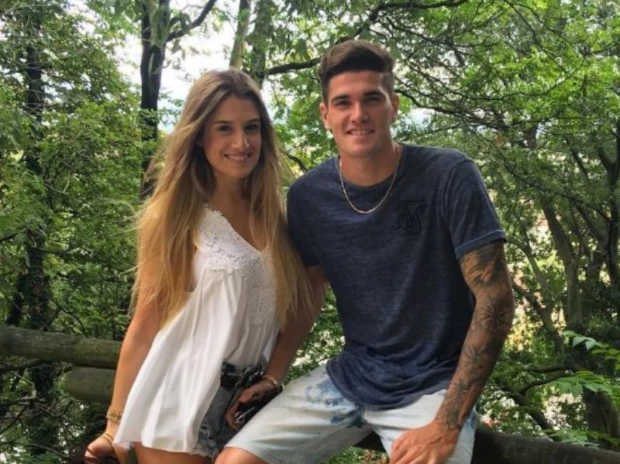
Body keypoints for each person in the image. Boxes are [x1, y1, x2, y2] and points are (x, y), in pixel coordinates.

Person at [216, 40, 515, 464]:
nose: (358, 114)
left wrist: (447, 423)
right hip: (350, 378)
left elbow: (495, 298)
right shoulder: (308, 197)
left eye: (372, 99)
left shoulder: (449, 175)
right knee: (235, 461)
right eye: (343, 103)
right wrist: (274, 375)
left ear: (393, 106)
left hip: (434, 388)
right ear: (326, 116)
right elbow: (309, 296)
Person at [84, 69, 312, 464]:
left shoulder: (277, 217)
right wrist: (114, 424)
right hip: (178, 405)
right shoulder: (177, 216)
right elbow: (145, 325)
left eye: (251, 127)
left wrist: (274, 376)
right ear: (200, 136)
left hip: (244, 409)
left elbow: (300, 308)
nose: (241, 142)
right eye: (224, 128)